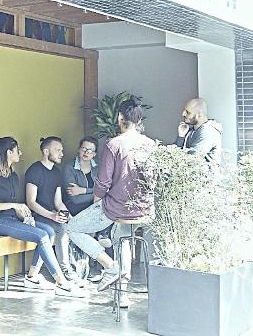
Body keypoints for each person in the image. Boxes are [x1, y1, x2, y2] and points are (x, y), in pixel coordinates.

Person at [67, 97, 156, 299]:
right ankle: (122, 296)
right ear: (139, 120)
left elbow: (103, 182)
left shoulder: (114, 144)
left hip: (117, 208)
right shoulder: (150, 144)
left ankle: (110, 266)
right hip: (143, 211)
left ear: (120, 118)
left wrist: (96, 201)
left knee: (72, 228)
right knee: (121, 239)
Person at [0, 136, 84, 297]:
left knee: (49, 232)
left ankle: (32, 277)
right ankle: (62, 283)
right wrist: (16, 206)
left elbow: (15, 206)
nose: (20, 153)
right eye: (17, 150)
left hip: (11, 219)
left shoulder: (13, 176)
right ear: (9, 152)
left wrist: (23, 215)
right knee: (42, 236)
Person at [24, 136, 80, 285]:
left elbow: (58, 202)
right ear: (46, 151)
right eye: (58, 150)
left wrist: (71, 218)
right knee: (53, 231)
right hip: (35, 217)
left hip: (50, 216)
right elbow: (31, 202)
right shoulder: (34, 170)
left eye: (62, 150)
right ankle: (63, 272)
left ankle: (66, 270)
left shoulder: (56, 172)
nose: (61, 154)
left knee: (65, 227)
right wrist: (52, 215)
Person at [63, 136, 112, 282]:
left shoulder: (98, 168)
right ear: (79, 149)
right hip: (76, 208)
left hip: (94, 207)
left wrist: (83, 190)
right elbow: (74, 198)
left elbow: (106, 190)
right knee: (101, 209)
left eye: (90, 150)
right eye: (83, 148)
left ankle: (105, 267)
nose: (86, 152)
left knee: (108, 213)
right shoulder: (70, 168)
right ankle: (93, 265)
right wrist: (96, 194)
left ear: (94, 154)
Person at [176, 98, 223, 165]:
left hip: (203, 172)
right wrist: (181, 136)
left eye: (188, 112)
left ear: (199, 115)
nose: (183, 114)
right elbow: (174, 153)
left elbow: (193, 158)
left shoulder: (208, 132)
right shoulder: (191, 130)